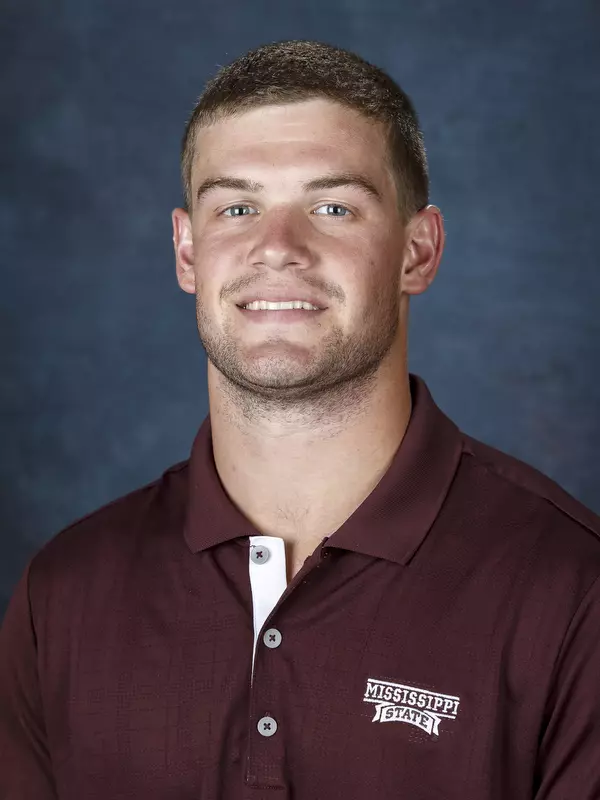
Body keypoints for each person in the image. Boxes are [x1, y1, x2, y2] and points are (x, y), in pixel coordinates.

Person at [1, 39, 599, 800]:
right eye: (238, 207)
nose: (277, 248)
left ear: (419, 251)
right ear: (188, 252)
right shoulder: (65, 593)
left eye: (333, 207)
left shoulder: (574, 592)